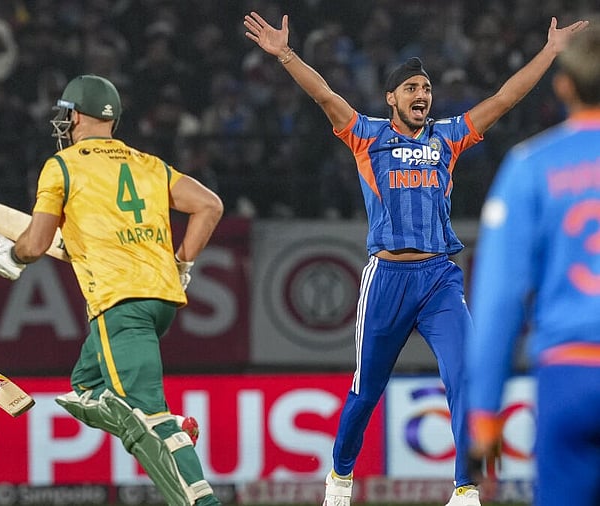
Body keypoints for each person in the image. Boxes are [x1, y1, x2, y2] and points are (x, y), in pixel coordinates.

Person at [243, 10, 588, 506]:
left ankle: (465, 488)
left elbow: (504, 99)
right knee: (366, 391)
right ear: (392, 98)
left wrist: (550, 52)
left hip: (439, 279)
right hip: (386, 278)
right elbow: (324, 95)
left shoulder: (447, 137)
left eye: (425, 88)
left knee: (464, 377)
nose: (421, 94)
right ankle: (340, 477)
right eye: (411, 88)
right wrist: (285, 54)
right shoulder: (366, 134)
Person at [0, 74, 224, 506]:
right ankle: (167, 430)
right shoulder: (148, 163)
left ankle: (185, 467)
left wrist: (13, 257)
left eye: (65, 114)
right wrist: (182, 264)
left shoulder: (62, 166)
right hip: (161, 298)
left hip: (120, 303)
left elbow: (36, 243)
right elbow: (210, 205)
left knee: (149, 415)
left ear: (76, 116)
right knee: (84, 390)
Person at [467, 21, 599, 506]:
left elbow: (500, 298)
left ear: (563, 85)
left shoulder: (531, 165)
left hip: (569, 376)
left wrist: (484, 411)